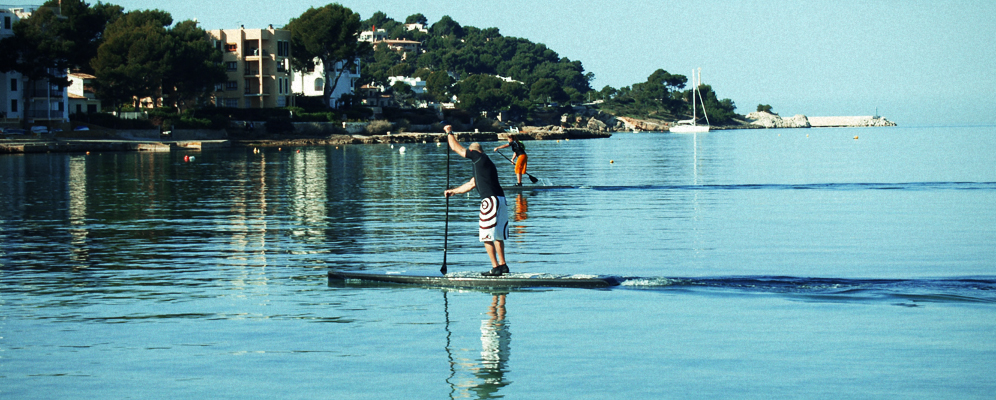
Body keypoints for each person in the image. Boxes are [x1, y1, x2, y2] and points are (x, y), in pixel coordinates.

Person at [443, 125, 510, 276]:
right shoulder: (485, 164)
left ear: (473, 151)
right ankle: (503, 265)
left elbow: (455, 148)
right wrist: (453, 191)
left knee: (486, 235)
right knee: (498, 235)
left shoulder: (477, 156)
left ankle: (495, 268)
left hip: (490, 201)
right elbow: (471, 184)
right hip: (501, 199)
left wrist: (449, 132)